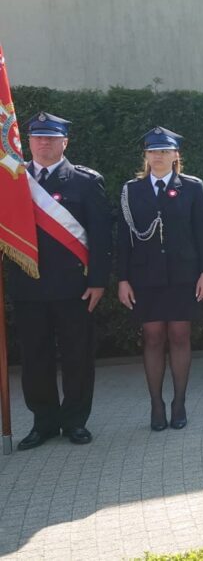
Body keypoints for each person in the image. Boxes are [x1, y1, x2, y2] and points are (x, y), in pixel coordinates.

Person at [6, 113, 111, 450]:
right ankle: (44, 422)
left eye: (51, 138)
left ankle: (75, 421)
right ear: (29, 141)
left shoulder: (84, 181)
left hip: (74, 288)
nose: (44, 143)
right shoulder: (12, 180)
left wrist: (98, 282)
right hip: (28, 286)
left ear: (65, 141)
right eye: (38, 138)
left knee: (77, 356)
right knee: (35, 358)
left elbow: (101, 236)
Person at [116, 127, 203, 431]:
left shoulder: (192, 187)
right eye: (153, 151)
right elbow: (122, 238)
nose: (158, 156)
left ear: (175, 155)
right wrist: (121, 279)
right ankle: (156, 404)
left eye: (164, 151)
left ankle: (179, 402)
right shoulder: (132, 190)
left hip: (184, 275)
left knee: (180, 336)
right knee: (153, 337)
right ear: (145, 156)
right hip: (145, 276)